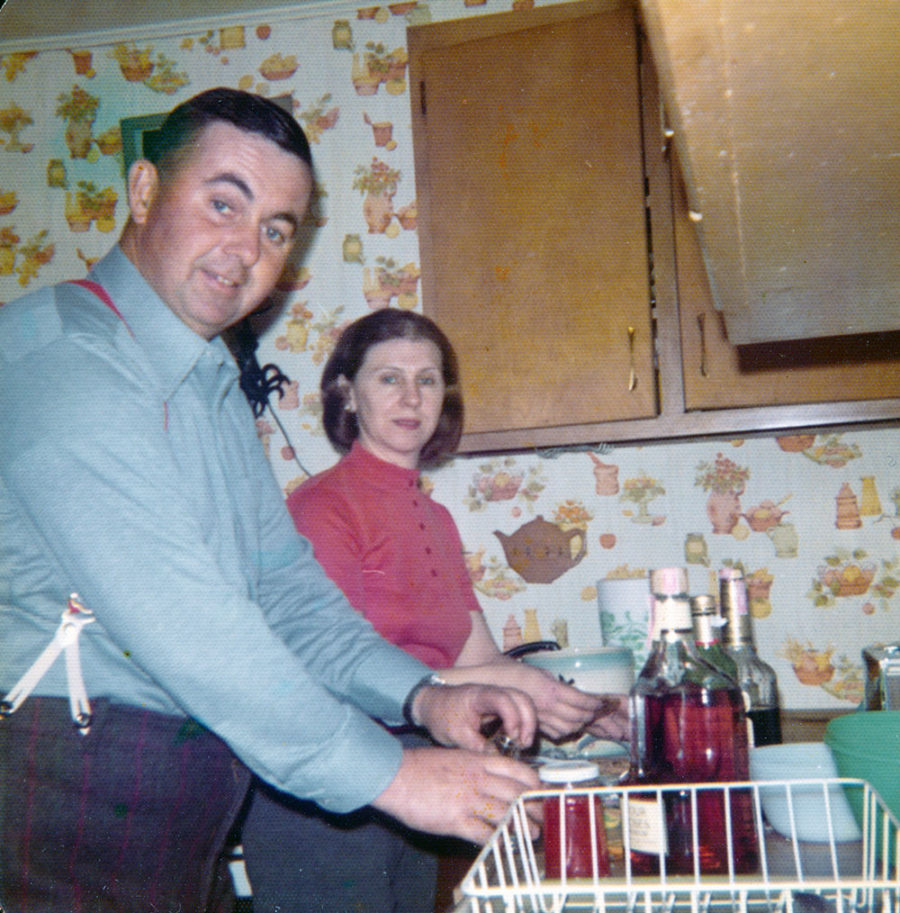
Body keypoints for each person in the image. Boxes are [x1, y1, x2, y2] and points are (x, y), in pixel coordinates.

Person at [0, 88, 544, 913]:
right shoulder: (64, 357)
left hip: (186, 793)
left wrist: (423, 696)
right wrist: (390, 771)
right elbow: (183, 618)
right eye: (224, 202)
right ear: (144, 192)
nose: (245, 248)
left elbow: (287, 593)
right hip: (70, 787)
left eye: (276, 229)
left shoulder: (213, 383)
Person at [240, 309, 629, 911]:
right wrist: (509, 680)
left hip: (424, 772)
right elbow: (330, 668)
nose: (411, 396)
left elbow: (480, 660)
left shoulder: (437, 519)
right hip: (330, 794)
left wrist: (578, 705)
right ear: (347, 392)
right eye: (388, 378)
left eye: (427, 379)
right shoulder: (323, 506)